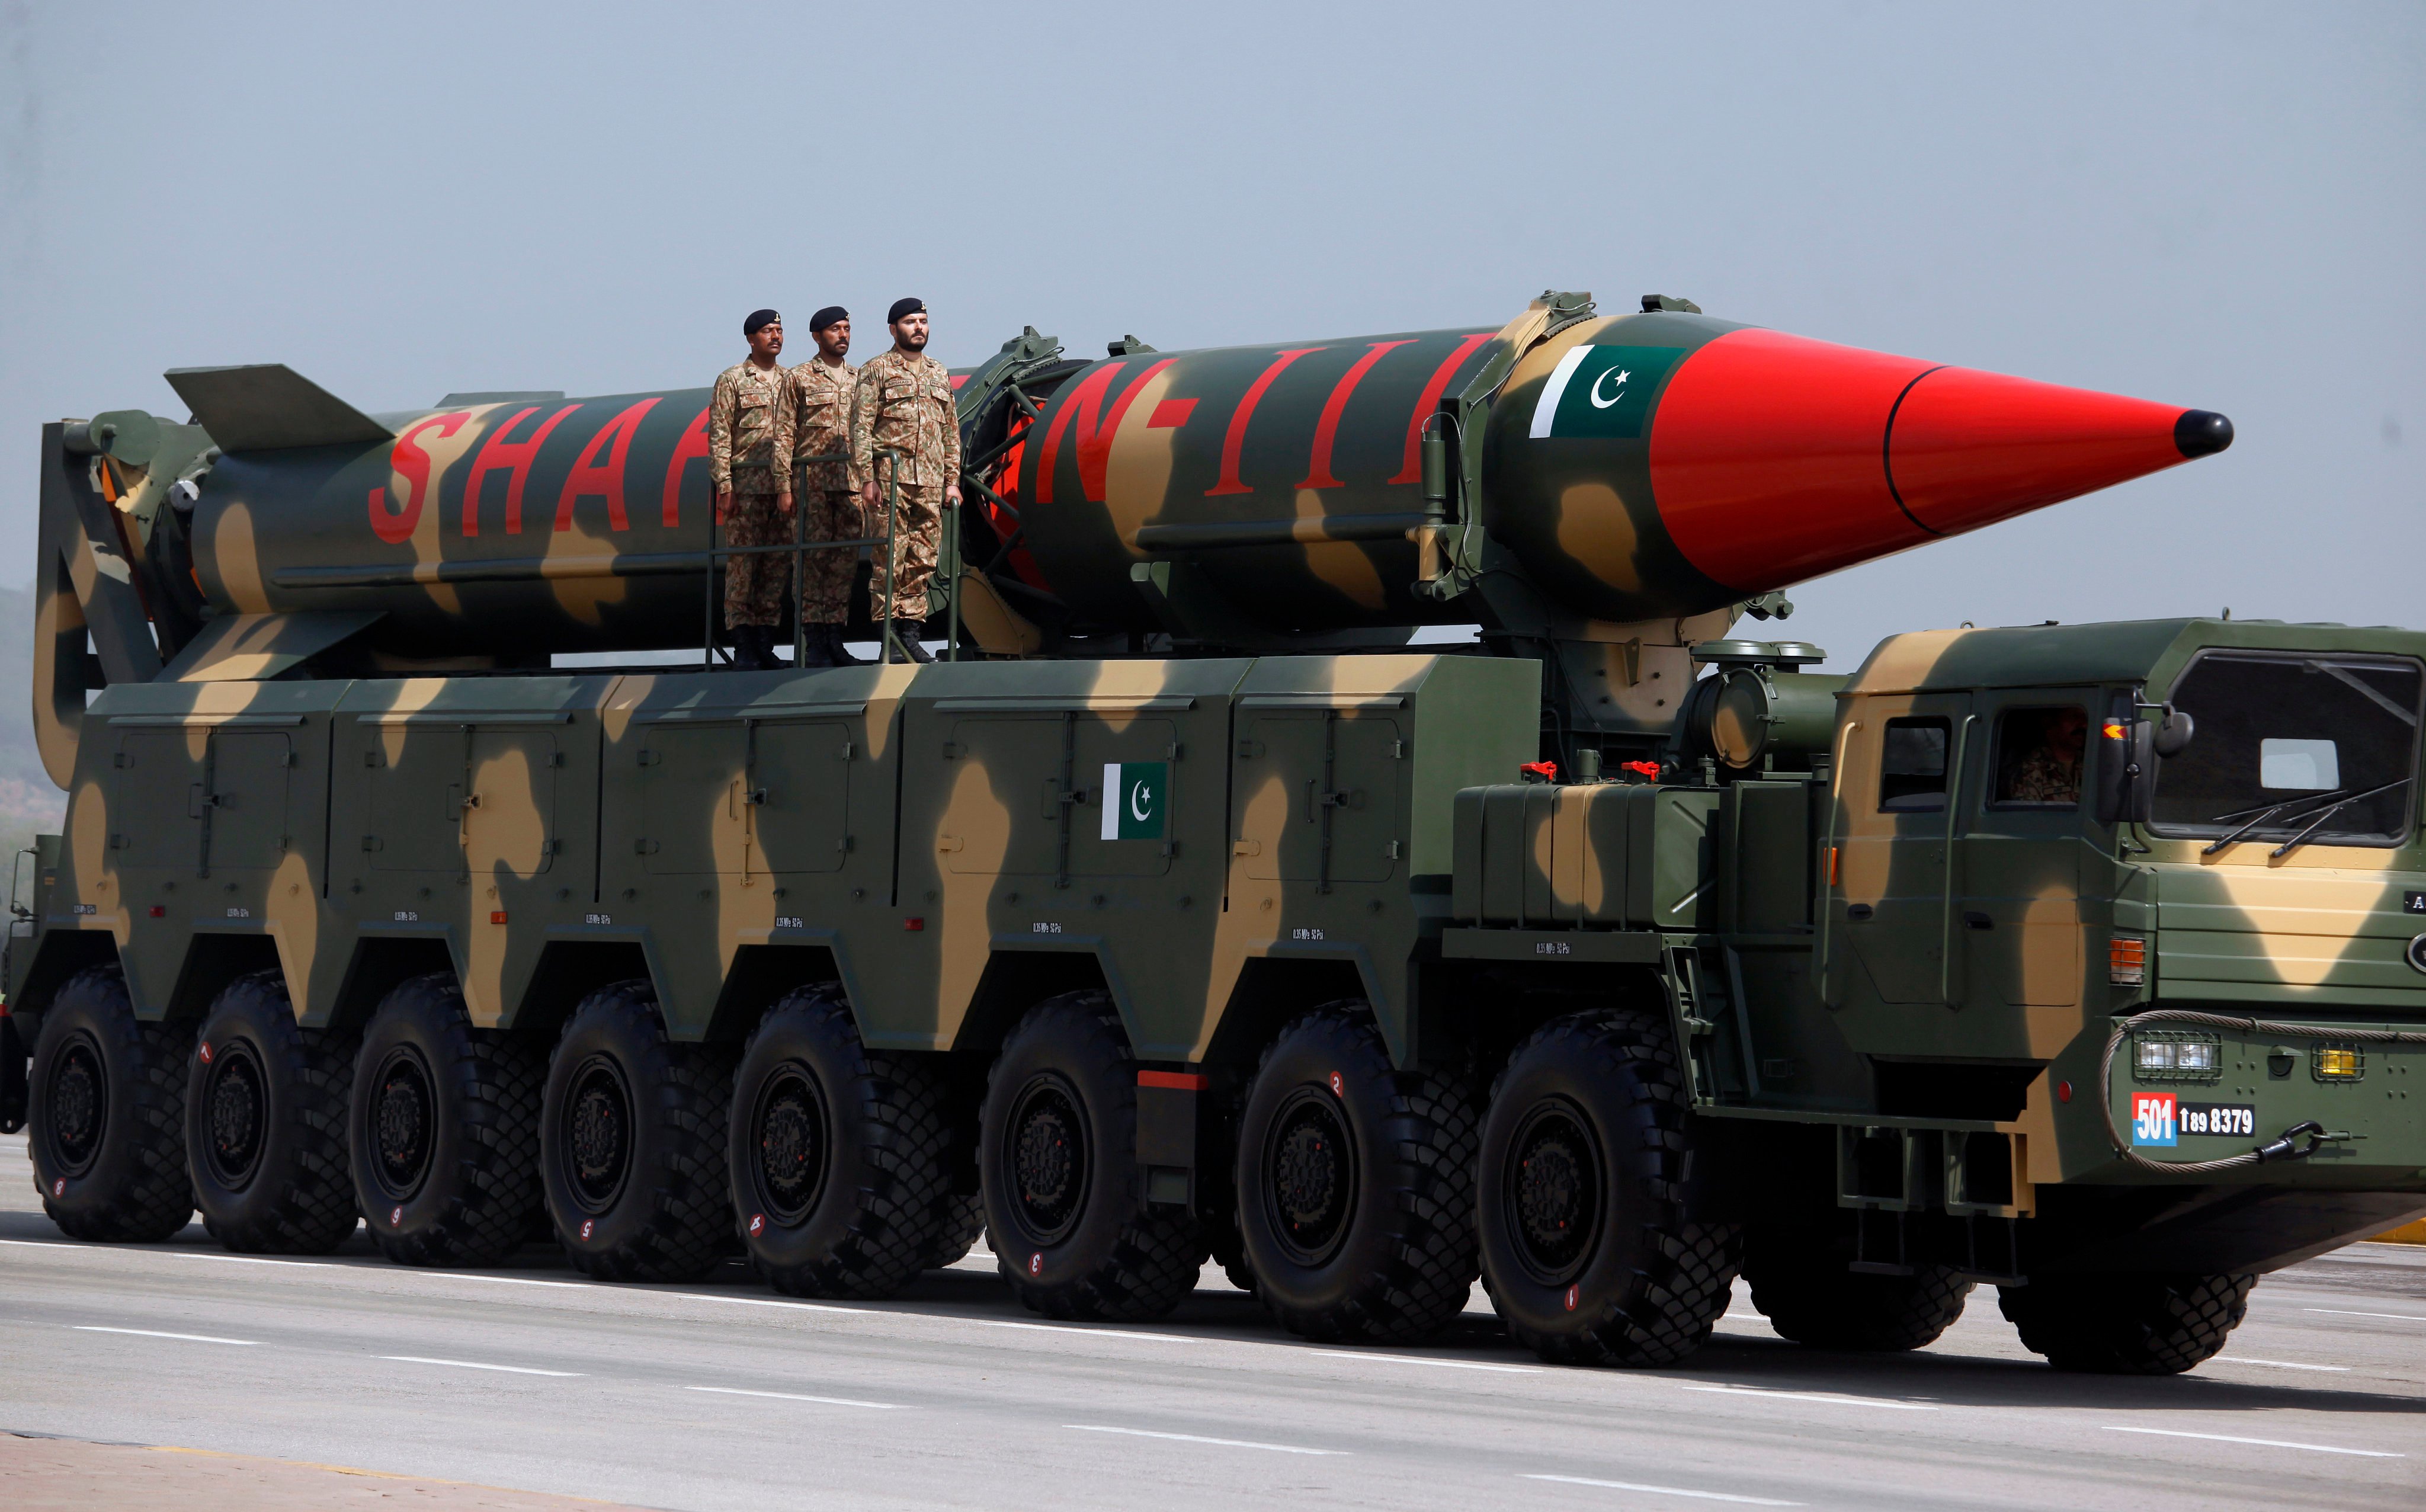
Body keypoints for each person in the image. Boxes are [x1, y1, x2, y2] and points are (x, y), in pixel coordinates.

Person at [850, 298, 961, 664]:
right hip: (890, 481)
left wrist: (951, 480)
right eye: (911, 321)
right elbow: (861, 429)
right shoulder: (876, 370)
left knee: (922, 560)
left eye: (924, 321)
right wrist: (867, 478)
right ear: (893, 329)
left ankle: (910, 634)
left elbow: (950, 432)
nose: (919, 328)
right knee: (889, 560)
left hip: (928, 483)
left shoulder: (938, 372)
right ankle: (888, 638)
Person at [710, 308, 793, 670]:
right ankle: (743, 644)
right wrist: (725, 485)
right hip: (746, 490)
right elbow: (720, 436)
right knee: (744, 567)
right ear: (750, 339)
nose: (775, 336)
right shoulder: (732, 380)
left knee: (775, 567)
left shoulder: (792, 380)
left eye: (778, 330)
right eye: (766, 331)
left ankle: (765, 642)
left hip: (781, 489)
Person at [780, 306, 863, 667]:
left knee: (843, 564)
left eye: (846, 329)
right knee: (811, 563)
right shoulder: (798, 378)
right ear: (817, 336)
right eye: (834, 329)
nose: (842, 335)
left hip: (850, 485)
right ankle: (815, 641)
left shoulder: (862, 379)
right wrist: (784, 485)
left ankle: (835, 638)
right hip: (811, 485)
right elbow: (782, 434)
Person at [2005, 706, 2088, 803]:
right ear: (2049, 723)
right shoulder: (2030, 770)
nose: (2084, 725)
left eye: (2085, 718)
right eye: (2074, 717)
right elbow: (2027, 817)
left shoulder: (2091, 763)